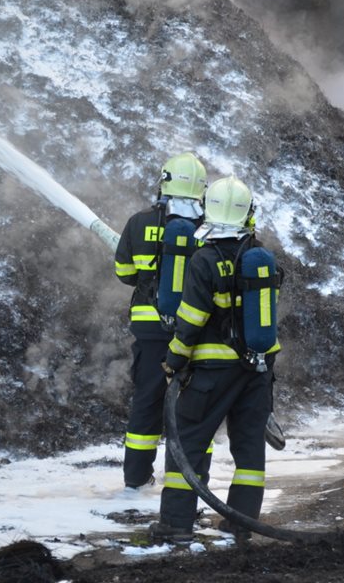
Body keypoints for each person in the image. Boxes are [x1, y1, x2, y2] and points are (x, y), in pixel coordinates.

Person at [151, 175, 281, 544]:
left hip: (210, 373)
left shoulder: (205, 259)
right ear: (247, 214)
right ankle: (242, 523)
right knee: (249, 449)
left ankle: (176, 525)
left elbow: (191, 319)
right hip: (256, 371)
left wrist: (174, 361)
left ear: (209, 210)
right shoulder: (259, 258)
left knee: (188, 444)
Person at [113, 152, 208, 490]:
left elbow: (124, 272)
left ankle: (136, 479)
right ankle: (188, 480)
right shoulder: (208, 229)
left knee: (147, 402)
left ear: (165, 182)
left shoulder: (139, 222)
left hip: (150, 328)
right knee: (194, 407)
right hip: (195, 332)